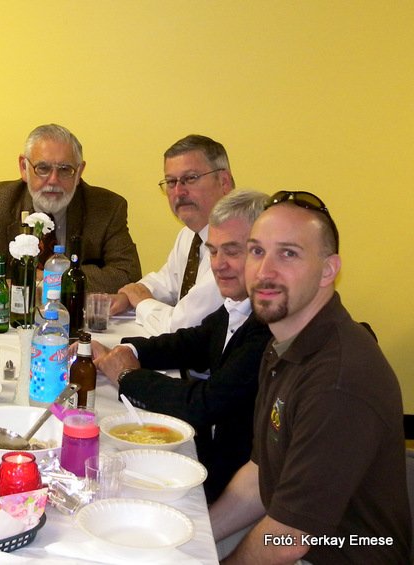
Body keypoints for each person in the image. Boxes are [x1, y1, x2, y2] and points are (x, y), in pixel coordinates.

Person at [210, 191, 411, 563]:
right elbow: (259, 476)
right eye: (256, 251)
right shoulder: (285, 343)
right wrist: (196, 536)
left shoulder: (339, 380)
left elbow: (289, 539)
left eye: (288, 253)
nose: (264, 271)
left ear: (329, 270)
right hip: (293, 536)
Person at [91, 191, 272, 502]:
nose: (219, 265)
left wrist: (127, 376)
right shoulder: (240, 304)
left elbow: (203, 404)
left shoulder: (268, 326)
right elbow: (191, 341)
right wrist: (125, 351)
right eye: (213, 252)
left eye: (232, 251)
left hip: (236, 488)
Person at [0, 123, 141, 292]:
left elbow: (127, 273)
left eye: (65, 170)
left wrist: (51, 277)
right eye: (43, 168)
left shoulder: (107, 207)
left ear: (79, 172)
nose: (53, 180)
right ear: (24, 167)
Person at [110, 134, 234, 335]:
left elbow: (183, 326)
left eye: (190, 178)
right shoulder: (189, 235)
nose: (178, 192)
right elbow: (165, 283)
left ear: (224, 182)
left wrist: (141, 301)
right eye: (170, 182)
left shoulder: (234, 244)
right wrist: (128, 295)